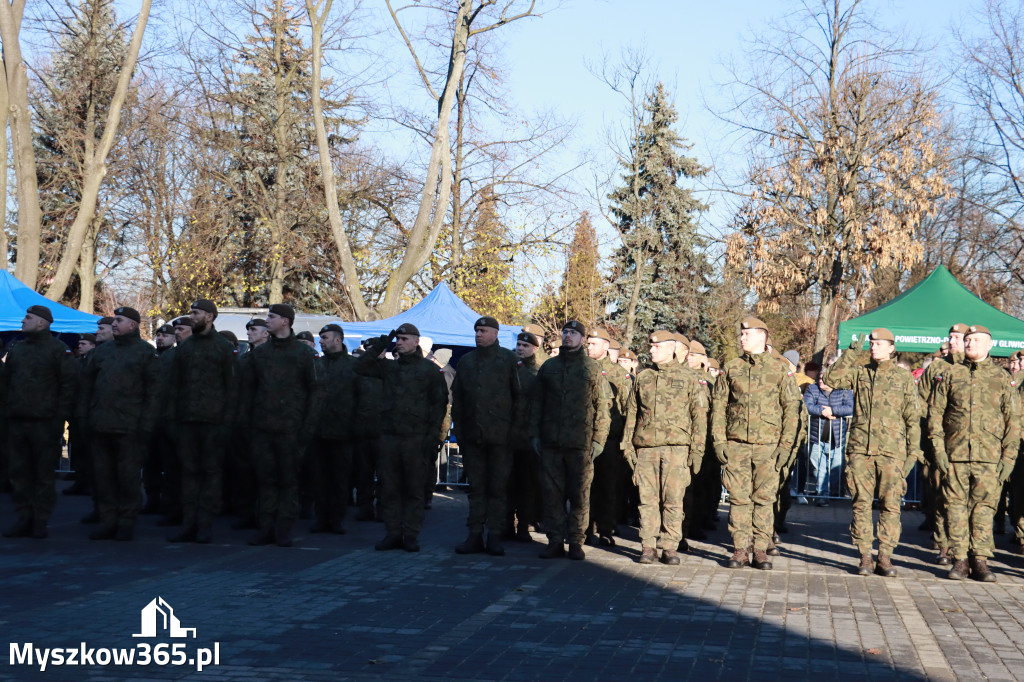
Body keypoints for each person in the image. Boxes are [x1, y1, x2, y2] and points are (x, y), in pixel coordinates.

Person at [825, 328, 922, 577]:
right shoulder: (860, 372)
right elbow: (831, 379)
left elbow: (912, 418)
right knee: (861, 504)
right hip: (861, 450)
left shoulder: (902, 378)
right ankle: (865, 555)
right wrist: (850, 354)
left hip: (892, 452)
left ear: (892, 347)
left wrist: (912, 455)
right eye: (871, 343)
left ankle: (885, 556)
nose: (873, 347)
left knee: (891, 506)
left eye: (879, 343)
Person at [928, 325, 1021, 582]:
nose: (969, 344)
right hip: (954, 454)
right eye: (967, 340)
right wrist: (939, 450)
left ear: (989, 345)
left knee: (984, 508)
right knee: (955, 508)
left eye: (975, 340)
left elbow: (1013, 420)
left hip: (989, 457)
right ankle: (959, 560)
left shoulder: (1002, 378)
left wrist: (1008, 457)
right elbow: (935, 414)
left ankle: (980, 559)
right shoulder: (950, 374)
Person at [711, 317, 801, 570]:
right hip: (737, 445)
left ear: (762, 336)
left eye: (746, 334)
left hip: (768, 446)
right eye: (741, 334)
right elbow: (718, 407)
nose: (741, 338)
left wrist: (785, 446)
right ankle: (740, 549)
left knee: (763, 499)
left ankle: (760, 549)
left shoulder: (779, 369)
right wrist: (719, 441)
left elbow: (791, 409)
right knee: (739, 499)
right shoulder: (731, 368)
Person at [356, 323, 448, 552]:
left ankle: (411, 535)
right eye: (398, 339)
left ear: (417, 341)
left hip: (416, 438)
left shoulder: (428, 371)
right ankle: (393, 533)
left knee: (413, 490)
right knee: (389, 489)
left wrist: (433, 436)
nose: (400, 342)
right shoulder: (389, 368)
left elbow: (439, 404)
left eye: (405, 339)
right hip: (389, 437)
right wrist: (381, 344)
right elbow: (361, 367)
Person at [622, 330, 707, 565]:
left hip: (677, 449)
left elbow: (699, 416)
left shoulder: (690, 378)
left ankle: (670, 546)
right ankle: (648, 546)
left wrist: (697, 450)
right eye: (650, 346)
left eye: (656, 347)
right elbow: (632, 413)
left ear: (671, 349)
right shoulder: (644, 377)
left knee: (673, 500)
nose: (651, 350)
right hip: (646, 448)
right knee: (647, 499)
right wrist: (627, 446)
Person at [240, 304, 322, 547]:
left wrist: (306, 429)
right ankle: (265, 527)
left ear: (285, 321)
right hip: (263, 428)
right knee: (265, 480)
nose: (267, 320)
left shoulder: (304, 354)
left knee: (288, 482)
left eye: (272, 317)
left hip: (291, 430)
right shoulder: (260, 354)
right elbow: (248, 391)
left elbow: (316, 394)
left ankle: (283, 529)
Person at [531, 320, 610, 561]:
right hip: (552, 442)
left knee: (579, 495)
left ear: (583, 339)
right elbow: (537, 404)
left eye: (574, 333)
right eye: (565, 332)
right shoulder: (549, 367)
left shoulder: (592, 369)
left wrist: (599, 440)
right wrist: (534, 434)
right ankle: (555, 540)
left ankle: (576, 540)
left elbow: (602, 407)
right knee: (552, 494)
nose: (568, 336)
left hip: (581, 444)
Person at [79, 307, 160, 541]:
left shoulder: (145, 353)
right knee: (103, 478)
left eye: (119, 320)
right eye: (113, 320)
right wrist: (84, 418)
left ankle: (126, 522)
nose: (114, 324)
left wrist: (146, 425)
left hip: (130, 428)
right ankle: (107, 521)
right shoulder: (100, 353)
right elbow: (86, 389)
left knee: (127, 479)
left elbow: (154, 393)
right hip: (100, 426)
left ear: (132, 325)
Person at [167, 300, 238, 544]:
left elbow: (232, 389)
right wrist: (173, 420)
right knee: (188, 474)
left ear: (209, 317)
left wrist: (226, 424)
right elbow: (174, 387)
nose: (191, 316)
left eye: (196, 313)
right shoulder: (184, 348)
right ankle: (188, 524)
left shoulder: (223, 348)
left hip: (214, 424)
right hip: (187, 421)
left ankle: (205, 526)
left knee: (210, 475)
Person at [3, 305, 76, 540]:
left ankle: (40, 520)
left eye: (28, 317)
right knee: (19, 473)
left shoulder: (58, 349)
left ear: (42, 323)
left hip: (45, 422)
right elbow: (6, 384)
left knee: (43, 474)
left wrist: (58, 419)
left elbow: (68, 387)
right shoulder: (17, 349)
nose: (23, 321)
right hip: (17, 421)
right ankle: (24, 517)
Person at [451, 316, 521, 556]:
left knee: (498, 489)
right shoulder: (467, 362)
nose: (478, 334)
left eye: (483, 330)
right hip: (473, 437)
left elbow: (520, 399)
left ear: (495, 333)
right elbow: (458, 400)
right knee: (477, 489)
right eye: (476, 331)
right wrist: (460, 432)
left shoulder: (509, 360)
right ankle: (474, 534)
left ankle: (494, 535)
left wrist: (514, 433)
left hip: (501, 438)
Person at [918, 323, 967, 565]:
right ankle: (944, 545)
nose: (953, 341)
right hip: (939, 443)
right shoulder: (937, 367)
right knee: (940, 494)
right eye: (950, 337)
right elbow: (920, 400)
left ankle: (965, 547)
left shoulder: (973, 369)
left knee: (965, 499)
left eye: (957, 337)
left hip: (968, 446)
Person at [309, 323, 358, 534]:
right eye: (320, 338)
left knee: (339, 479)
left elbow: (361, 398)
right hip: (318, 431)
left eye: (325, 337)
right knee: (319, 479)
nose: (321, 341)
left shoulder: (353, 366)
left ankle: (336, 520)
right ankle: (321, 518)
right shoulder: (316, 365)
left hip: (343, 432)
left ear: (338, 340)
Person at [585, 327, 631, 547]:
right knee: (583, 487)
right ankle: (583, 528)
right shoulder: (581, 368)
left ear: (605, 346)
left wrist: (624, 440)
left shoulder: (618, 374)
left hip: (610, 441)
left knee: (607, 486)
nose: (589, 346)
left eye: (594, 343)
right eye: (588, 343)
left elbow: (626, 408)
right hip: (584, 438)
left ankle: (605, 528)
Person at [507, 331, 542, 541]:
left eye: (525, 346)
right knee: (507, 484)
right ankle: (506, 525)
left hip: (529, 438)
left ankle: (524, 527)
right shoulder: (508, 368)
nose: (520, 348)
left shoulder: (539, 372)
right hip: (509, 436)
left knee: (528, 485)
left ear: (534, 349)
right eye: (519, 345)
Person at [802, 360, 854, 499]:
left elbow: (850, 407)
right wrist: (821, 411)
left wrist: (833, 410)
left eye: (824, 379)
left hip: (837, 439)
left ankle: (833, 492)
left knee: (836, 468)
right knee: (819, 469)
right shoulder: (813, 389)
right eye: (819, 378)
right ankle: (822, 496)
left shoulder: (844, 391)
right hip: (817, 437)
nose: (821, 381)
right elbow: (806, 405)